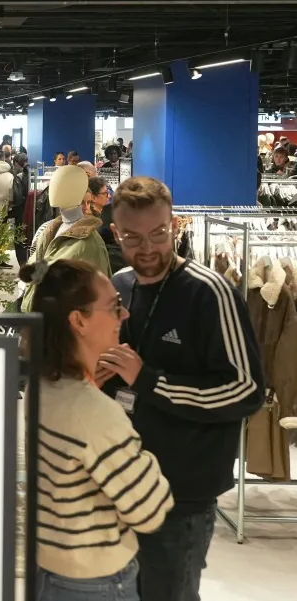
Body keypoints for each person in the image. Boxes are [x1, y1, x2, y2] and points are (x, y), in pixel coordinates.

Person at [99, 176, 264, 601]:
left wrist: (148, 380)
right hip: (117, 483)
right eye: (133, 237)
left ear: (175, 225)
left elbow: (246, 391)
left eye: (158, 233)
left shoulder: (210, 293)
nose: (148, 248)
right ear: (116, 233)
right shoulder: (118, 285)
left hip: (179, 496)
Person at [24, 258, 173, 601]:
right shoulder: (97, 414)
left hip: (50, 571)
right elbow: (150, 509)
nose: (124, 316)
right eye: (114, 307)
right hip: (98, 583)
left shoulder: (41, 386)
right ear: (78, 320)